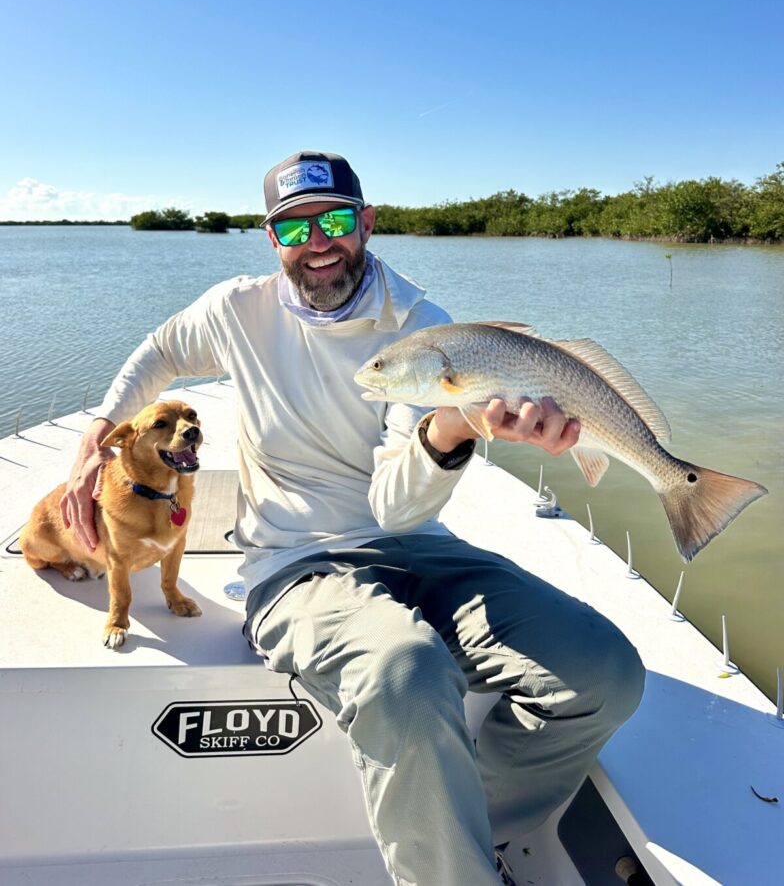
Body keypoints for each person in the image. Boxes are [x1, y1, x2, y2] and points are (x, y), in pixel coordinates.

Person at [62, 151, 645, 886]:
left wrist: (451, 429)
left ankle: (464, 837)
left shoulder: (421, 327)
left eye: (335, 219)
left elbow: (396, 507)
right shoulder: (237, 310)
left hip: (416, 544)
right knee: (407, 671)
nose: (318, 241)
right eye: (293, 227)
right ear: (271, 239)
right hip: (296, 563)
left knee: (606, 670)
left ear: (365, 221)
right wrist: (100, 428)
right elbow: (161, 351)